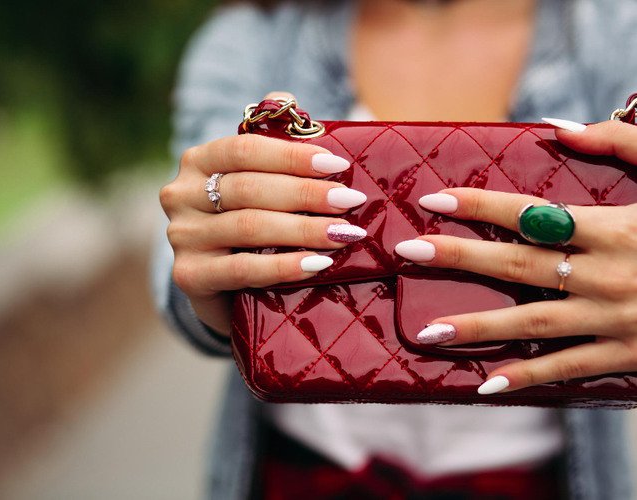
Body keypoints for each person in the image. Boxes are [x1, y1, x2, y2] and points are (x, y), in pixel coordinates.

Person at [154, 0, 637, 498]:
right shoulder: (253, 36)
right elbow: (177, 271)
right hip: (302, 475)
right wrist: (206, 266)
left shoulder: (618, 32)